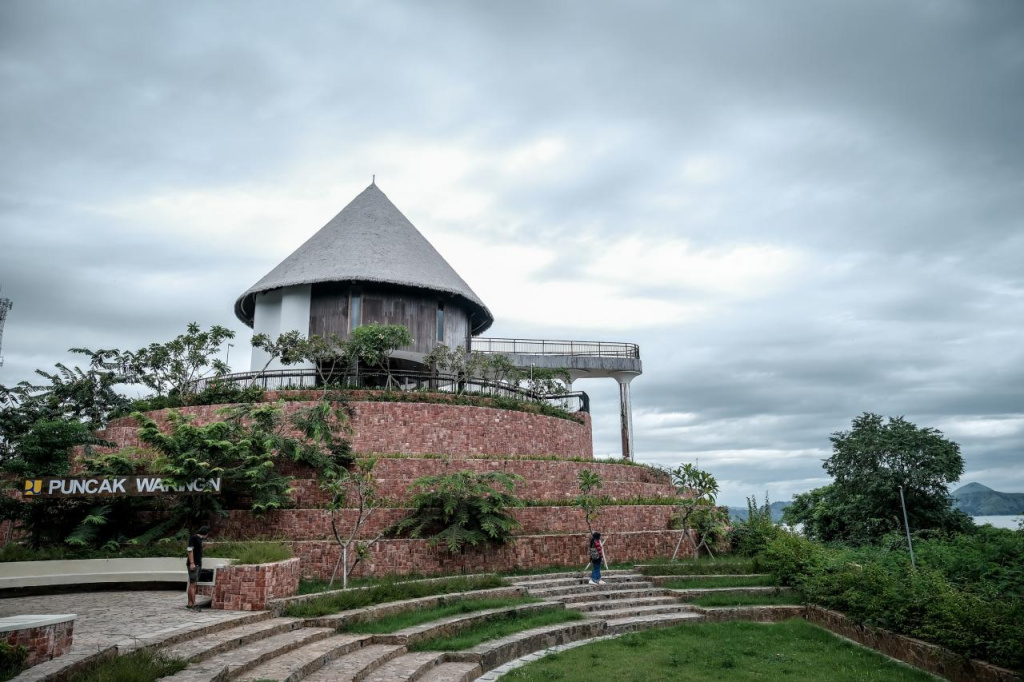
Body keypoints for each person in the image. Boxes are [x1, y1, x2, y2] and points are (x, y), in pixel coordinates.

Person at [186, 525, 210, 610]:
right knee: (193, 584)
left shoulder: (199, 539)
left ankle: (190, 603)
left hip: (198, 564)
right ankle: (194, 604)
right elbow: (190, 550)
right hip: (194, 564)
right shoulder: (194, 538)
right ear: (206, 533)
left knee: (192, 583)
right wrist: (192, 563)